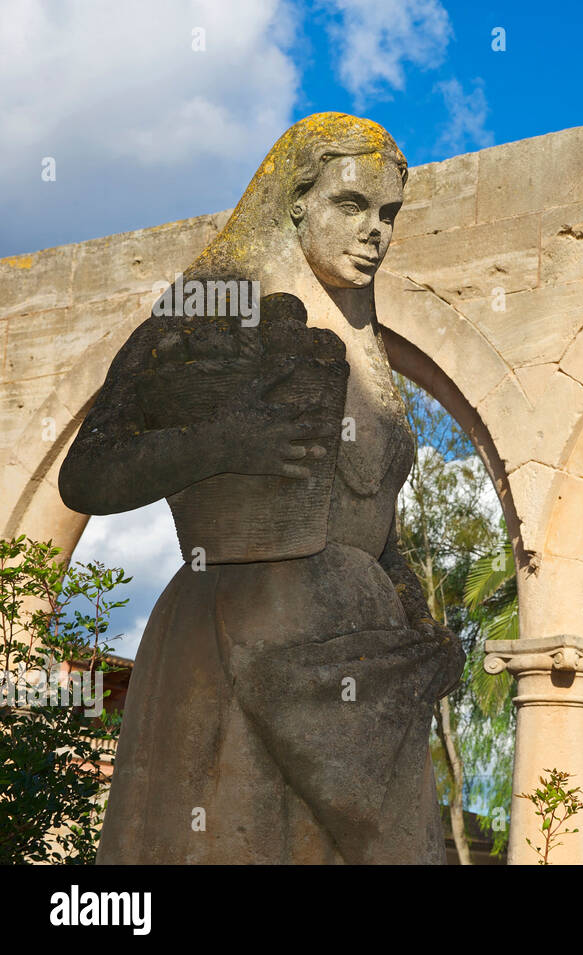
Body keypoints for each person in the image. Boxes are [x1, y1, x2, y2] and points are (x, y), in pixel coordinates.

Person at [59, 113, 464, 864]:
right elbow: (88, 470)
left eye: (389, 214)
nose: (375, 231)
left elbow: (380, 525)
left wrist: (421, 621)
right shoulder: (214, 306)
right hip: (240, 632)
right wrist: (222, 445)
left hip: (360, 659)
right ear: (295, 202)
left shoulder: (367, 346)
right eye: (352, 205)